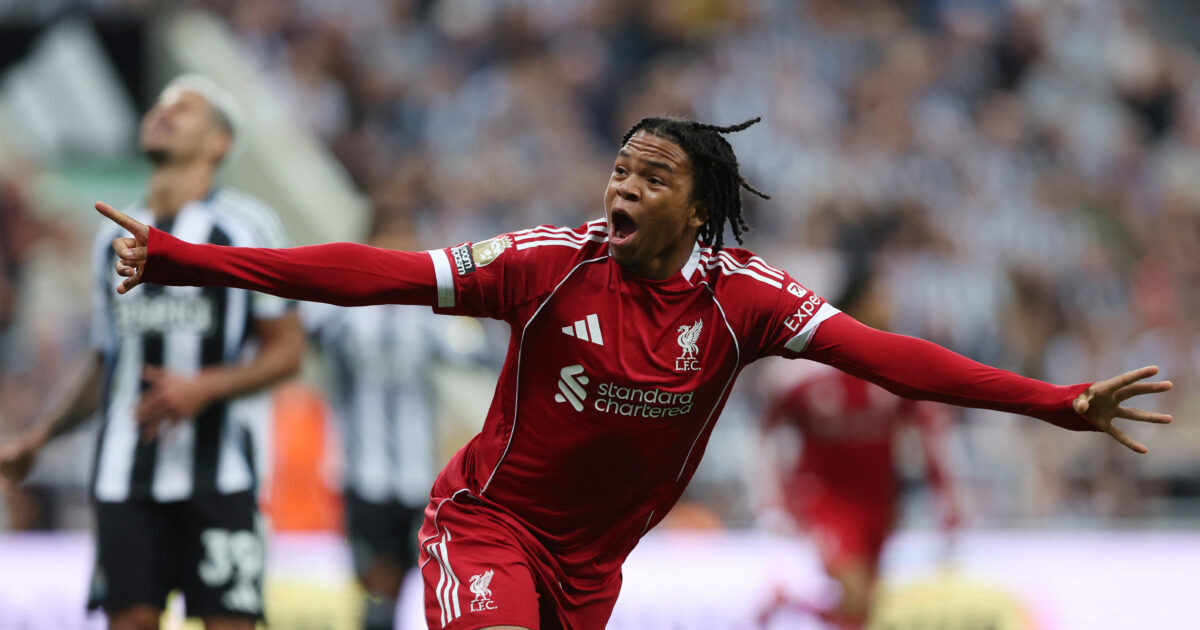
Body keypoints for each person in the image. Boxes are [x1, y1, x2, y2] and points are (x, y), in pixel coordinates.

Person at [92, 116, 1171, 630]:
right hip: (486, 527)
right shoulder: (545, 265)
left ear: (697, 210)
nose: (623, 186)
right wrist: (190, 258)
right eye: (619, 168)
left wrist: (1055, 403)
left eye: (652, 177)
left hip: (593, 568)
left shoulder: (744, 300)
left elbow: (889, 358)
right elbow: (376, 274)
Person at [0, 75, 304, 630]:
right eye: (158, 105)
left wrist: (205, 386)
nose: (162, 113)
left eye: (183, 107)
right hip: (125, 475)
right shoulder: (109, 238)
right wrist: (40, 437)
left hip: (219, 474)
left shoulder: (247, 227)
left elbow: (287, 352)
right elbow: (106, 362)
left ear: (219, 142)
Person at [301, 212, 484, 630]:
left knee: (401, 587)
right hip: (360, 474)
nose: (397, 253)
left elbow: (475, 351)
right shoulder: (341, 312)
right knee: (376, 590)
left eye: (405, 242)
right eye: (387, 242)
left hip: (417, 478)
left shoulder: (432, 315)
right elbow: (301, 333)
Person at [756, 271, 961, 629]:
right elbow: (767, 438)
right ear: (859, 304)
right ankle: (790, 604)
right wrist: (773, 501)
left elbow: (931, 436)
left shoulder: (898, 366)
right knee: (854, 593)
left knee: (863, 609)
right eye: (881, 298)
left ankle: (789, 603)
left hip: (879, 501)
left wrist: (948, 503)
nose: (889, 308)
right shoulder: (801, 370)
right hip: (825, 500)